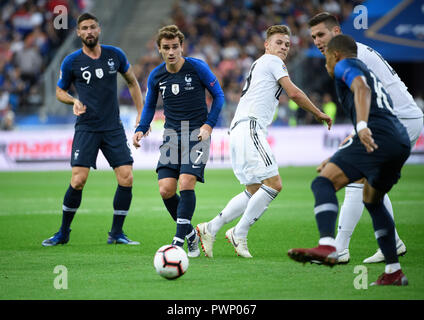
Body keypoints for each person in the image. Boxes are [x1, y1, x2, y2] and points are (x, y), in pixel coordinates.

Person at [196, 25, 332, 258]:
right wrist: (318, 112)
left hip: (240, 129)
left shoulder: (260, 63)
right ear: (267, 45)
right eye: (279, 42)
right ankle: (239, 232)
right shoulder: (272, 61)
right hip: (250, 127)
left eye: (287, 44)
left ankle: (211, 228)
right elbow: (295, 93)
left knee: (254, 188)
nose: (284, 47)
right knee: (274, 184)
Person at [288, 34, 410, 286]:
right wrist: (337, 153)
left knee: (322, 184)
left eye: (326, 60)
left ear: (335, 55)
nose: (326, 65)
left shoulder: (345, 64)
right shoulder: (367, 70)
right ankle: (393, 271)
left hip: (376, 134)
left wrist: (363, 125)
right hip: (398, 140)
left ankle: (327, 245)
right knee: (372, 200)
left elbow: (361, 89)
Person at [308, 12, 424, 263]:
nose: (317, 41)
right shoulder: (355, 52)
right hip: (401, 119)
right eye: (313, 37)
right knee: (371, 185)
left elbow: (363, 90)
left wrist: (360, 127)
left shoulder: (349, 58)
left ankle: (338, 248)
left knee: (355, 178)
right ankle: (392, 245)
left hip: (397, 121)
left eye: (321, 34)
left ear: (337, 33)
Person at [42, 13, 144, 246]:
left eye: (92, 27)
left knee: (126, 177)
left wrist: (141, 114)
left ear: (99, 30)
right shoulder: (71, 61)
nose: (89, 31)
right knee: (78, 180)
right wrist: (73, 101)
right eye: (84, 28)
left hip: (113, 127)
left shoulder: (115, 55)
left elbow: (132, 82)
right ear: (78, 33)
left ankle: (116, 233)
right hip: (87, 127)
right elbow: (59, 91)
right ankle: (63, 232)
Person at [132, 25, 225, 258]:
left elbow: (219, 96)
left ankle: (178, 240)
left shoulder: (197, 67)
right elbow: (150, 105)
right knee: (166, 190)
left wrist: (209, 125)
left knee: (186, 183)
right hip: (172, 135)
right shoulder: (156, 75)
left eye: (175, 47)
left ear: (181, 47)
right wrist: (142, 128)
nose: (171, 51)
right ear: (160, 50)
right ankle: (191, 233)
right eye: (166, 48)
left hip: (197, 134)